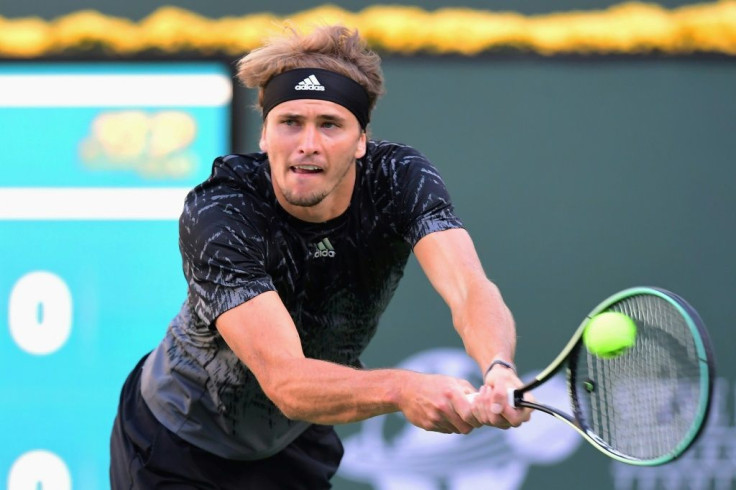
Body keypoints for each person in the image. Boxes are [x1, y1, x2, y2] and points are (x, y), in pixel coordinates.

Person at [109, 24, 531, 489]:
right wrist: (404, 388)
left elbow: (470, 287)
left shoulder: (398, 179)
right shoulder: (221, 213)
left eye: (329, 125)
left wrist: (498, 367)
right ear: (265, 134)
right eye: (291, 122)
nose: (308, 143)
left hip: (294, 442)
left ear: (361, 140)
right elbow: (286, 380)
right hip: (176, 443)